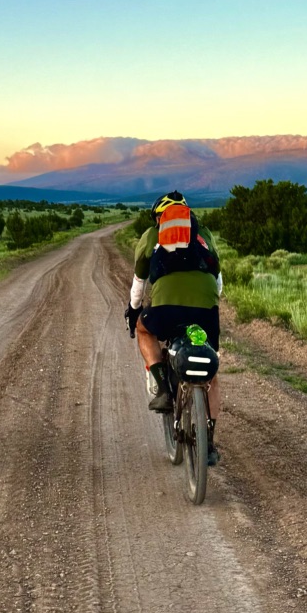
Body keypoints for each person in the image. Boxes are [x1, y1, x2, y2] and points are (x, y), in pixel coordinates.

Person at [125, 191, 223, 464]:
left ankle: (163, 389)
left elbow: (139, 283)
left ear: (159, 217)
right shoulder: (203, 233)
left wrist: (134, 312)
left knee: (146, 331)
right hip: (205, 308)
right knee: (211, 374)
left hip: (166, 307)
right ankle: (210, 442)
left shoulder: (152, 235)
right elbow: (218, 284)